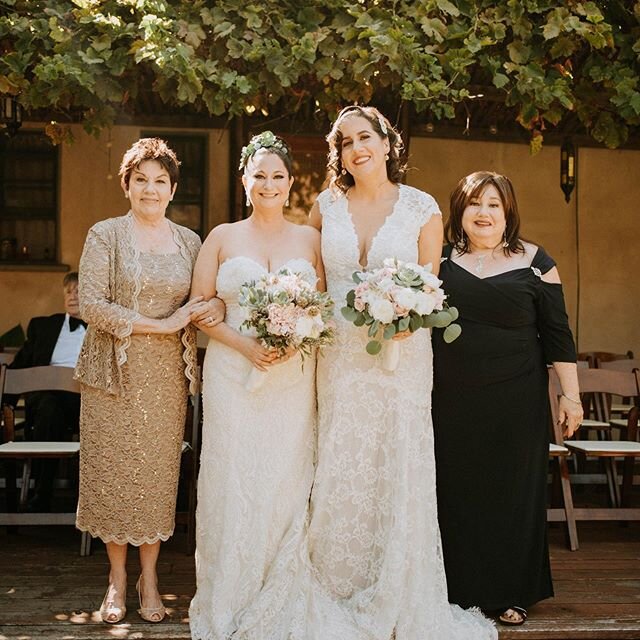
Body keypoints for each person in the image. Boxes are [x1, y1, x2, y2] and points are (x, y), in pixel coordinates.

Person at [302, 106, 497, 638]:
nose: (356, 148)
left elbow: (430, 285)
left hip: (402, 356)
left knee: (396, 459)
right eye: (345, 142)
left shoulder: (421, 207)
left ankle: (397, 585)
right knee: (339, 455)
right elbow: (311, 280)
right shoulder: (324, 206)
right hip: (339, 354)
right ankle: (334, 583)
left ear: (388, 143)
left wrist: (410, 315)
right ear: (337, 154)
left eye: (365, 137)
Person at [74, 138, 221, 624]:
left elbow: (207, 299)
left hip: (165, 376)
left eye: (160, 181)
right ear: (127, 185)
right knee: (115, 473)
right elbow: (92, 304)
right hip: (111, 374)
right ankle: (116, 579)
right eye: (141, 180)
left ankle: (150, 577)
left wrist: (214, 308)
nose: (150, 190)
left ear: (173, 189)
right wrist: (158, 323)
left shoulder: (190, 242)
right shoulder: (105, 235)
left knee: (157, 477)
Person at [188, 131, 324, 639]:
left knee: (285, 479)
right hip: (231, 370)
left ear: (291, 183)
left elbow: (322, 309)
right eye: (259, 174)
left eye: (278, 175)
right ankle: (231, 589)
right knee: (234, 475)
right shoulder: (222, 237)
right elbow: (200, 308)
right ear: (244, 180)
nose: (268, 183)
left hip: (292, 378)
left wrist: (297, 338)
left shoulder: (310, 241)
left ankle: (281, 585)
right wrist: (243, 345)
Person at [432, 171, 582, 626]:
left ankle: (513, 591)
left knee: (514, 492)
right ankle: (456, 588)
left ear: (508, 211)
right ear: (459, 210)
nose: (484, 212)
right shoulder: (436, 260)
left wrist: (571, 397)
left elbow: (558, 335)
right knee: (455, 491)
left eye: (494, 204)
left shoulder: (537, 261)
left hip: (517, 398)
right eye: (474, 203)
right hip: (450, 400)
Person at [9, 271, 84, 512]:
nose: (72, 296)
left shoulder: (103, 329)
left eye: (79, 290)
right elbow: (20, 366)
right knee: (50, 408)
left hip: (86, 401)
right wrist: (5, 403)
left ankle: (91, 500)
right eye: (68, 291)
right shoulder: (43, 326)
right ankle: (42, 491)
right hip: (46, 399)